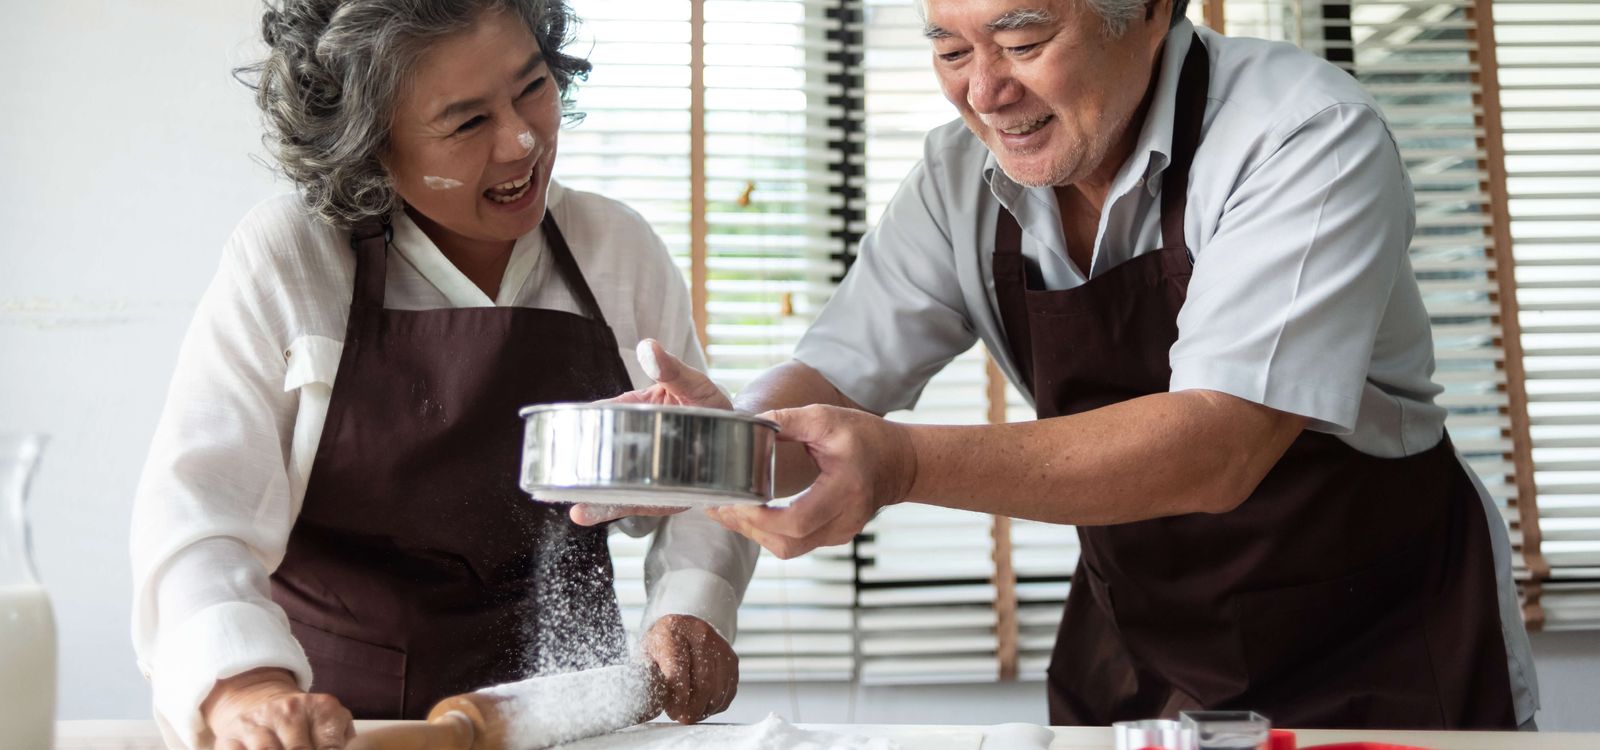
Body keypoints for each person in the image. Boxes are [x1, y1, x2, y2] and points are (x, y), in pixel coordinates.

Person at [601, 0, 1538, 731]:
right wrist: (719, 436)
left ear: (1152, 13)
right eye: (950, 49)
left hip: (1378, 653)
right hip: (1141, 657)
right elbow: (834, 378)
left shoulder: (1303, 135)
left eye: (1020, 39)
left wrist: (907, 465)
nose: (983, 92)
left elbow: (1217, 443)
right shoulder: (956, 183)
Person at [129, 2, 756, 748]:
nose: (522, 139)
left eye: (531, 87)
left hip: (571, 721)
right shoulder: (292, 257)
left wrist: (693, 607)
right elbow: (200, 514)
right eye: (465, 123)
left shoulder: (614, 250)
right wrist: (246, 689)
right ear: (369, 145)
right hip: (338, 727)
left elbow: (694, 483)